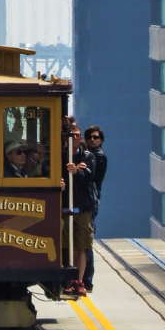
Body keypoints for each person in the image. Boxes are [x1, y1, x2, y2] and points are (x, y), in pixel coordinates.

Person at [61, 124, 98, 296]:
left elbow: (90, 177)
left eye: (76, 135)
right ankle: (69, 278)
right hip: (65, 206)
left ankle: (80, 280)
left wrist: (76, 172)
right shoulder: (60, 156)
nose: (74, 138)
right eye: (70, 136)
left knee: (82, 245)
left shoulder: (88, 156)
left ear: (80, 138)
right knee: (68, 245)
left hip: (83, 207)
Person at [83, 125, 106, 293]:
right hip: (87, 198)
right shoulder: (87, 154)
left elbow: (91, 177)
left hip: (91, 199)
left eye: (96, 137)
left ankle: (87, 278)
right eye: (90, 137)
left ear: (101, 140)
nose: (93, 140)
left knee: (86, 238)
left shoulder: (98, 156)